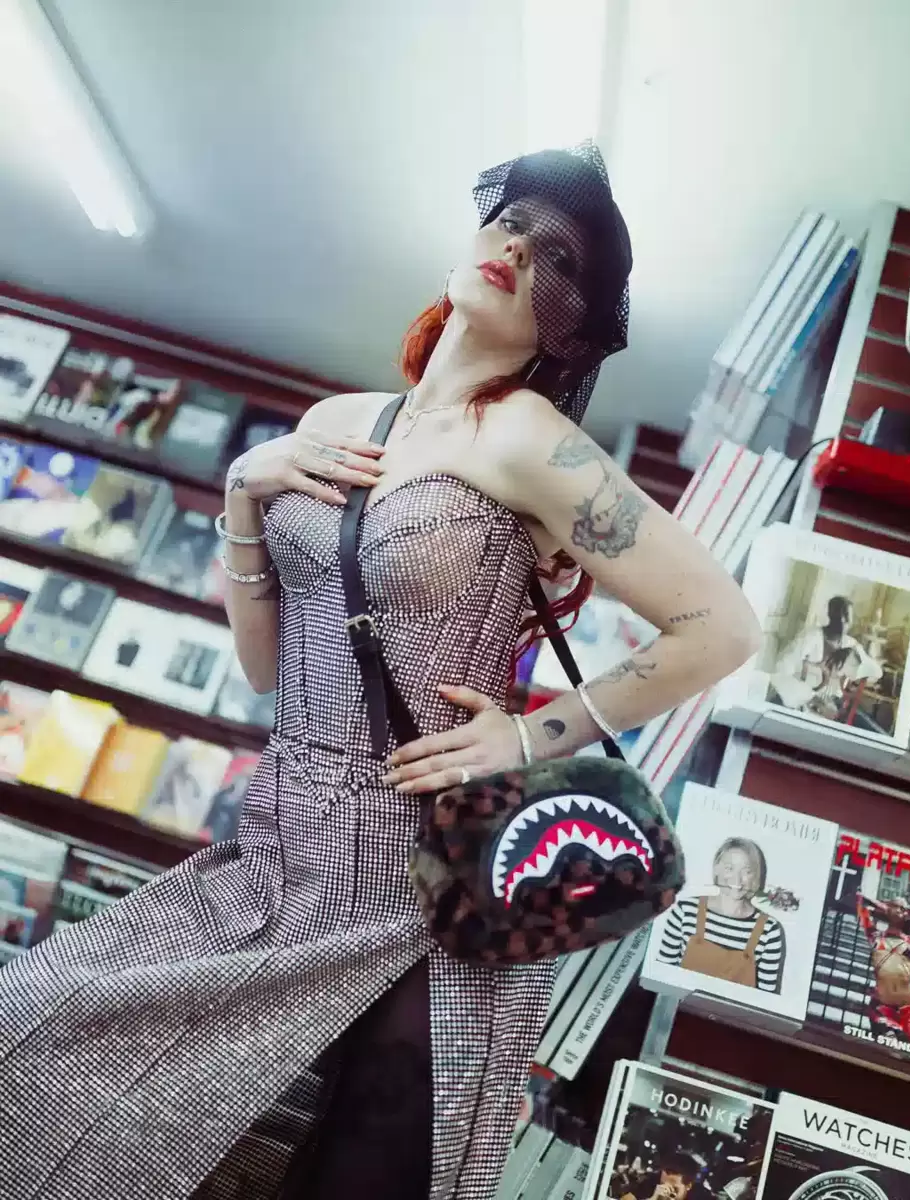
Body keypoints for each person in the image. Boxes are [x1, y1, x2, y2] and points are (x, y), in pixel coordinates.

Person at [0, 144, 761, 1200]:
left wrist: (527, 735)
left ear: (569, 328)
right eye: (512, 223)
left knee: (361, 1177)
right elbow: (266, 667)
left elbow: (720, 625)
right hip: (280, 842)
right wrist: (244, 490)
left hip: (425, 872)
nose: (518, 251)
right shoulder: (335, 425)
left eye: (558, 259)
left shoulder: (527, 439)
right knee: (38, 1040)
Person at [658, 838, 785, 992]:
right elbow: (661, 977)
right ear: (717, 869)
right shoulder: (685, 911)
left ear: (755, 876)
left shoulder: (769, 930)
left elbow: (765, 999)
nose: (737, 879)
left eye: (747, 871)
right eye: (729, 868)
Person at [769, 595, 884, 727]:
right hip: (804, 701)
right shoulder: (810, 637)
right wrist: (810, 697)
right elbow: (779, 670)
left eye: (847, 616)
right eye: (839, 615)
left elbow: (876, 674)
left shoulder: (850, 644)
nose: (843, 620)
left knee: (869, 728)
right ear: (830, 615)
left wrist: (854, 654)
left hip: (834, 706)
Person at [857, 891, 910, 1046]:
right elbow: (860, 899)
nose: (900, 910)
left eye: (903, 909)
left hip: (909, 1008)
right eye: (896, 906)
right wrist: (885, 907)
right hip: (882, 1005)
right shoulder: (876, 937)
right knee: (887, 1044)